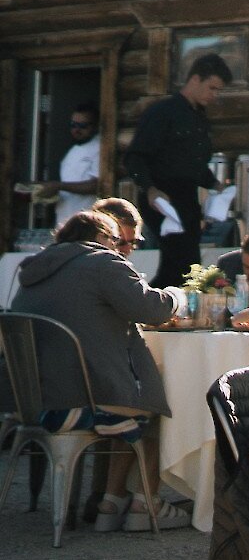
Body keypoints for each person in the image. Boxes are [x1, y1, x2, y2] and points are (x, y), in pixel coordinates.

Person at [15, 208, 183, 530]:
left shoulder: (33, 270)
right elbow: (151, 308)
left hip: (36, 406)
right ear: (102, 238)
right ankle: (146, 505)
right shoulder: (102, 262)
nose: (121, 248)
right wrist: (177, 297)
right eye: (117, 241)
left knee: (131, 399)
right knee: (154, 408)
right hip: (84, 405)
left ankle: (111, 502)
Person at [125, 54, 231, 289]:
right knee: (177, 261)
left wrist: (215, 185)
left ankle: (175, 308)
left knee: (189, 262)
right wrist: (150, 189)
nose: (214, 95)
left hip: (187, 196)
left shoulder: (199, 118)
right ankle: (154, 305)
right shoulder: (163, 113)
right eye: (212, 88)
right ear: (195, 79)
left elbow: (191, 164)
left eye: (218, 91)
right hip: (162, 197)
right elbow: (135, 157)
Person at [26, 103, 103, 221]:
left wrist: (59, 186)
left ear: (96, 126)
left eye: (83, 126)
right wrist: (42, 188)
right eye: (73, 125)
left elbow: (97, 185)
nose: (76, 130)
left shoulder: (99, 148)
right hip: (65, 220)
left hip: (87, 222)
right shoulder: (74, 150)